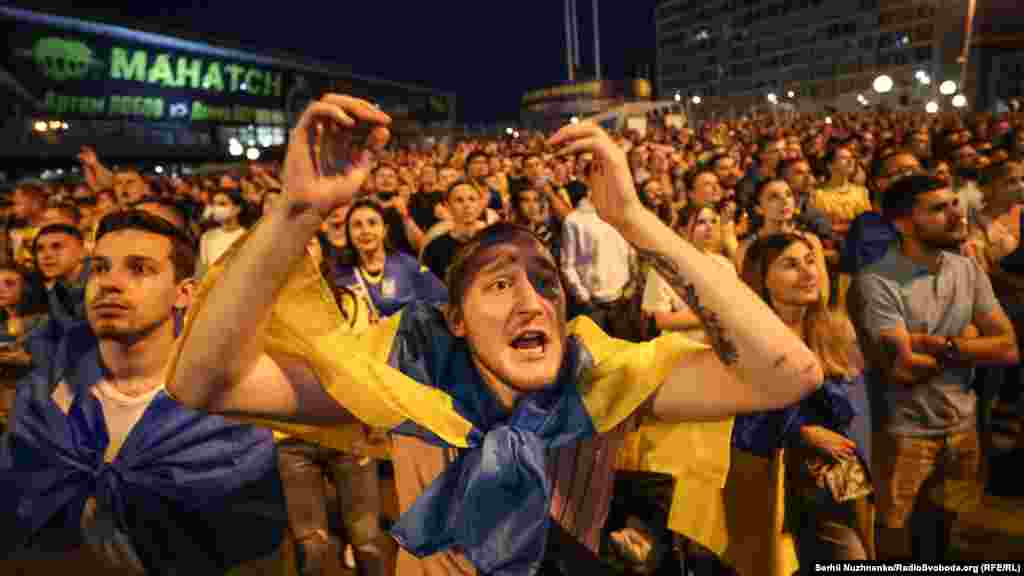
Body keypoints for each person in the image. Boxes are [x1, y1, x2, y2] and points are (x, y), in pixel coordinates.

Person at [166, 95, 824, 576]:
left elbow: (788, 373)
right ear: (454, 320)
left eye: (545, 283)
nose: (532, 301)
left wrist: (635, 219)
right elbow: (204, 382)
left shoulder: (605, 377)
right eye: (499, 284)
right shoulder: (404, 381)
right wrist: (297, 211)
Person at [0, 210, 287, 574]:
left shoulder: (229, 409)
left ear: (184, 293)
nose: (109, 283)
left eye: (138, 269)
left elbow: (254, 544)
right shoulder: (41, 401)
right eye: (100, 268)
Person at [851, 175, 1019, 560]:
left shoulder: (966, 270)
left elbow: (1008, 347)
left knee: (949, 537)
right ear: (902, 224)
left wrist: (939, 343)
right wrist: (974, 342)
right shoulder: (876, 282)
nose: (956, 215)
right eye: (938, 209)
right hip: (903, 432)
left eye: (954, 204)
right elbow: (904, 368)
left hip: (962, 426)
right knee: (895, 540)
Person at [737, 233, 874, 568]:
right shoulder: (747, 338)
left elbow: (861, 408)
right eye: (790, 264)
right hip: (769, 477)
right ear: (762, 279)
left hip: (836, 482)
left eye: (810, 261)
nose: (807, 271)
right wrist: (803, 432)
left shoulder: (836, 330)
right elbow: (737, 417)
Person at [421, 181, 487, 282]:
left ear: (479, 204)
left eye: (472, 199)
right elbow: (426, 285)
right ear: (448, 206)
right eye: (459, 200)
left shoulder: (492, 241)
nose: (467, 205)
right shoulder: (434, 248)